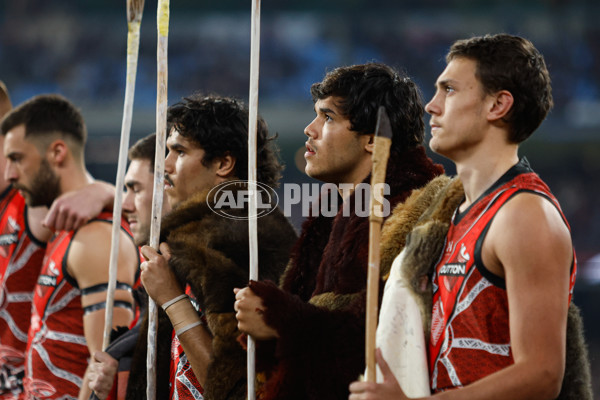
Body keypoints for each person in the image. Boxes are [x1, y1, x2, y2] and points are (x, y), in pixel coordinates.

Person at [348, 33, 592, 399]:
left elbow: (541, 375)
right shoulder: (450, 217)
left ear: (498, 105)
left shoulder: (525, 214)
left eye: (449, 90)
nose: (431, 106)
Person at [234, 62, 444, 399]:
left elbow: (382, 337)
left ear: (373, 140)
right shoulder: (334, 211)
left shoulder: (416, 209)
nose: (310, 129)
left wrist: (282, 319)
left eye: (327, 118)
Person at [124, 94, 297, 400]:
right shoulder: (196, 233)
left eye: (179, 152)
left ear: (223, 163)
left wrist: (172, 299)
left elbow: (237, 388)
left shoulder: (242, 238)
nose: (165, 165)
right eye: (167, 151)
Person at [1, 94, 140, 400]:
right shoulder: (63, 229)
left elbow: (106, 369)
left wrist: (104, 191)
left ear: (58, 152)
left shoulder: (96, 238)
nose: (11, 174)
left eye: (16, 158)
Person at [85, 133, 171, 400]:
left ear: (169, 187)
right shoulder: (151, 273)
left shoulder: (204, 280)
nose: (124, 204)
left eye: (135, 189)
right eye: (124, 190)